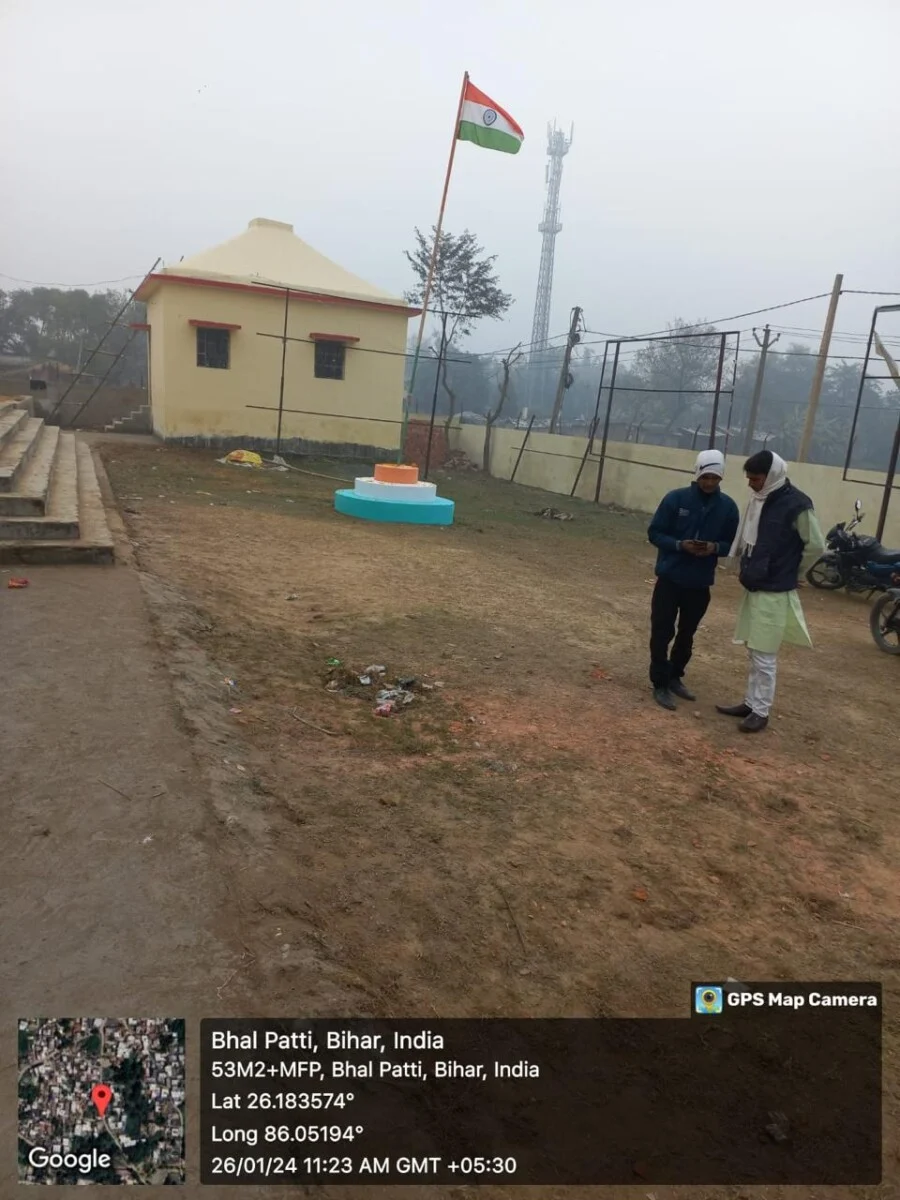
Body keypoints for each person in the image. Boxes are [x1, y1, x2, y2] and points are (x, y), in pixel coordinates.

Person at [716, 449, 826, 733]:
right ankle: (751, 703)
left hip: (775, 590)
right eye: (749, 478)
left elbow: (815, 545)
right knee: (754, 650)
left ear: (772, 475)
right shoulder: (760, 499)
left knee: (764, 655)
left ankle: (761, 711)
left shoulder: (797, 504)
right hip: (755, 583)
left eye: (756, 478)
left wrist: (795, 572)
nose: (751, 483)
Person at [647, 449, 740, 710]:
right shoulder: (675, 499)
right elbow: (654, 533)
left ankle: (676, 676)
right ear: (697, 473)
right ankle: (660, 683)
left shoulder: (728, 507)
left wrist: (713, 548)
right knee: (662, 631)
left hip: (700, 583)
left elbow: (729, 543)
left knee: (687, 634)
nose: (710, 482)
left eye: (715, 478)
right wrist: (679, 545)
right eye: (705, 476)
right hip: (670, 578)